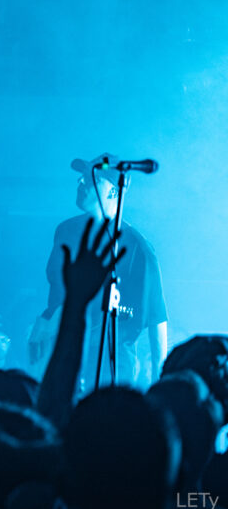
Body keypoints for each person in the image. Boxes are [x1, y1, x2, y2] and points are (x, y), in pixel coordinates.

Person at [30, 153, 168, 387]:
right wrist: (45, 325)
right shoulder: (65, 231)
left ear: (114, 191)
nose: (81, 181)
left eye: (91, 177)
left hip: (108, 364)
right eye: (82, 176)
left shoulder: (138, 248)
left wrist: (159, 381)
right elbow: (56, 293)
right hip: (58, 353)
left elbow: (157, 318)